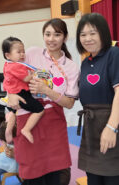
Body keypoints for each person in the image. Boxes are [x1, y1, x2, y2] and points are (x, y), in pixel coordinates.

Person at [7, 18, 79, 185]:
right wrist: (10, 94)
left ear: (65, 37)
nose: (51, 39)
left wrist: (47, 91)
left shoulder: (71, 67)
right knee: (32, 175)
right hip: (28, 119)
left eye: (57, 34)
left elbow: (69, 103)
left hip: (54, 122)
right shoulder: (32, 53)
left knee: (56, 175)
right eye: (47, 34)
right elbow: (12, 73)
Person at [76, 13, 119, 185]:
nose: (87, 38)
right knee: (93, 179)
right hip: (91, 127)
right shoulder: (86, 62)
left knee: (113, 177)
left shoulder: (115, 54)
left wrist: (111, 128)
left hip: (112, 124)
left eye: (93, 33)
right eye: (83, 34)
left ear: (103, 33)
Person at [0, 36, 44, 144]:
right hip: (21, 94)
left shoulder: (7, 65)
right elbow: (26, 78)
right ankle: (26, 129)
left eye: (23, 51)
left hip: (14, 93)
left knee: (13, 112)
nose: (22, 54)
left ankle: (9, 130)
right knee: (39, 110)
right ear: (8, 55)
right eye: (18, 52)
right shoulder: (16, 66)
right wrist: (34, 74)